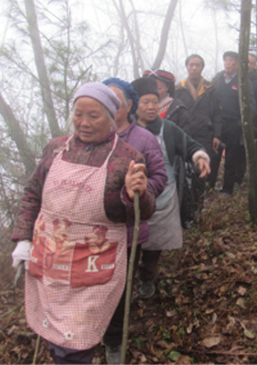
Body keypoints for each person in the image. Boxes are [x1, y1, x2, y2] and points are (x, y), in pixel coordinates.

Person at [10, 82, 155, 365]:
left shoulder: (127, 157)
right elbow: (32, 195)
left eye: (93, 116)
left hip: (94, 262)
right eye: (78, 114)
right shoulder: (55, 149)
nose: (83, 123)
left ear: (111, 117)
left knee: (76, 341)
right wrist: (23, 240)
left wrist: (133, 193)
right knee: (54, 333)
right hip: (49, 255)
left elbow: (144, 211)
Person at [101, 77, 168, 364]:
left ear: (130, 105)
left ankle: (113, 341)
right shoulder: (91, 137)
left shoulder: (143, 139)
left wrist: (140, 192)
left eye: (116, 102)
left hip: (127, 232)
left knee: (119, 288)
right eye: (105, 100)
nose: (110, 107)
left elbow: (159, 177)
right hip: (93, 232)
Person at [131, 77, 210, 300]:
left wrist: (199, 157)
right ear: (135, 104)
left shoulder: (169, 128)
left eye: (155, 102)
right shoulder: (127, 131)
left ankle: (147, 278)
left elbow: (191, 145)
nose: (151, 107)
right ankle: (126, 280)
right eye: (145, 102)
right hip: (131, 198)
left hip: (163, 197)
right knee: (131, 243)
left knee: (155, 244)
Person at [175, 54, 222, 193]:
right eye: (191, 65)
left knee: (202, 166)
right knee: (184, 166)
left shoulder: (210, 89)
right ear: (187, 67)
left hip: (204, 133)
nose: (194, 68)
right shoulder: (179, 89)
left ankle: (200, 198)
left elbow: (217, 114)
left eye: (197, 65)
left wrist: (217, 135)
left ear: (202, 67)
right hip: (184, 132)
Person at [212, 51, 256, 196]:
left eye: (231, 60)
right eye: (226, 60)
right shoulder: (217, 79)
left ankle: (227, 189)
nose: (228, 63)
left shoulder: (243, 81)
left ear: (237, 64)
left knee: (231, 158)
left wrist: (243, 123)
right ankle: (210, 185)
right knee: (214, 155)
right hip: (217, 123)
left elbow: (251, 105)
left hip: (234, 124)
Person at [142, 69, 191, 135]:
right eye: (150, 87)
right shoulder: (139, 107)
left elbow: (184, 137)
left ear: (167, 87)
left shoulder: (178, 109)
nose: (154, 91)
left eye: (159, 88)